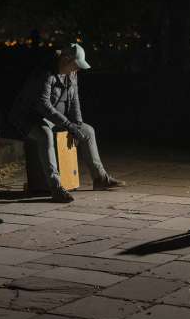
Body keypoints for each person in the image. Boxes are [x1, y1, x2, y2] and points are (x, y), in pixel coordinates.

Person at [9, 43, 125, 203]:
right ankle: (55, 187)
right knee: (45, 135)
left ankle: (100, 178)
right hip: (30, 118)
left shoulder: (71, 73)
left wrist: (76, 125)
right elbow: (44, 107)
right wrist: (69, 126)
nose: (77, 69)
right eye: (75, 65)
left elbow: (75, 100)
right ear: (65, 60)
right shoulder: (44, 73)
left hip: (56, 118)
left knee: (88, 131)